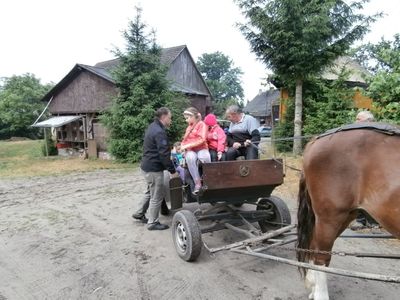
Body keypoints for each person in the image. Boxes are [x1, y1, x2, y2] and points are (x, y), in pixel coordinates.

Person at [132, 107, 179, 231]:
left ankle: (139, 213)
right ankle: (152, 222)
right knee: (156, 196)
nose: (171, 120)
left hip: (146, 167)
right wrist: (172, 171)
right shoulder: (159, 132)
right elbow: (164, 154)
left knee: (149, 191)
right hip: (153, 169)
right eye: (170, 118)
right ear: (163, 117)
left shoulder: (152, 126)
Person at [350, 110, 378, 230]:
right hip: (358, 171)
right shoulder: (355, 133)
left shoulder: (376, 134)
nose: (355, 121)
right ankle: (361, 221)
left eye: (358, 119)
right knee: (358, 197)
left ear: (368, 121)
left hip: (372, 172)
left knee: (371, 197)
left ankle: (373, 222)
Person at [181, 107, 211, 194]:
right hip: (191, 150)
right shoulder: (189, 128)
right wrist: (183, 146)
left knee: (205, 157)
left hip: (201, 147)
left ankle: (208, 179)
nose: (186, 120)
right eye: (185, 118)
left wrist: (187, 145)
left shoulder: (202, 124)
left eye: (187, 118)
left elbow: (202, 139)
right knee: (190, 157)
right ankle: (197, 182)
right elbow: (184, 139)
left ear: (193, 116)